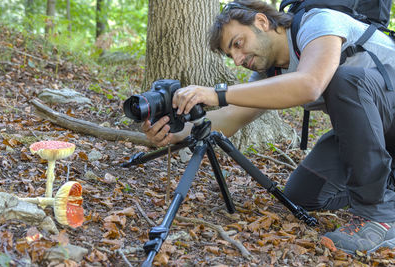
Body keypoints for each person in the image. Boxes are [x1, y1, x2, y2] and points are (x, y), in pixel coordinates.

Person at [141, 0, 395, 255]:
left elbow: (310, 84)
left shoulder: (319, 22)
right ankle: (388, 190)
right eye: (232, 56)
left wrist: (217, 93)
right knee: (302, 194)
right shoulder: (271, 72)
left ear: (262, 22)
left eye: (238, 44)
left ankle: (378, 216)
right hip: (377, 133)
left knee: (345, 80)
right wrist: (176, 133)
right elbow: (231, 116)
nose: (238, 60)